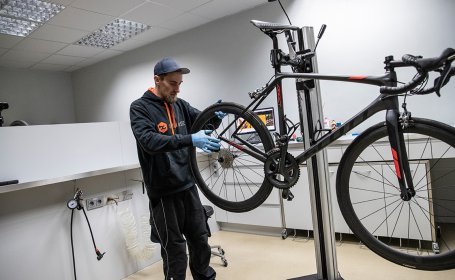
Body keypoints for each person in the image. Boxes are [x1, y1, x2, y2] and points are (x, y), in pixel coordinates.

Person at [130, 57, 222, 280]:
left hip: (188, 186)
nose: (177, 89)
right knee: (175, 249)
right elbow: (150, 141)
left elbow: (201, 124)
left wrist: (215, 117)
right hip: (163, 192)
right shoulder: (139, 108)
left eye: (180, 83)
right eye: (173, 83)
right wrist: (190, 139)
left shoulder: (180, 104)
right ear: (157, 80)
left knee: (200, 239)